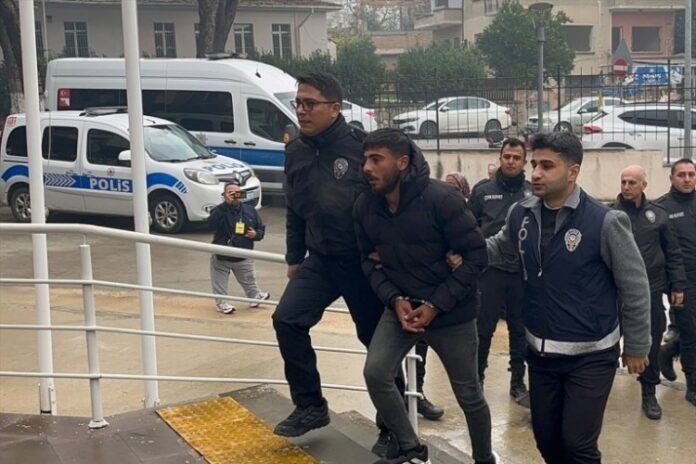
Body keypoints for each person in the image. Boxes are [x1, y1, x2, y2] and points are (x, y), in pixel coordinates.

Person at [487, 132, 650, 464]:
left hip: (590, 354)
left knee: (578, 445)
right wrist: (456, 248)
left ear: (573, 171)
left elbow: (634, 286)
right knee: (546, 440)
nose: (535, 173)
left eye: (547, 166)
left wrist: (636, 345)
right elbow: (498, 248)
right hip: (541, 353)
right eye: (535, 164)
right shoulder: (521, 214)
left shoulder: (605, 221)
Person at [355, 129, 499, 464]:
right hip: (401, 309)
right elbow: (366, 260)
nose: (367, 168)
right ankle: (410, 447)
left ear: (402, 162)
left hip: (451, 314)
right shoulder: (365, 205)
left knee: (469, 395)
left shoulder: (442, 199)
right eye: (365, 159)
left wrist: (435, 306)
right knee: (376, 373)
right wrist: (394, 299)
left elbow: (477, 257)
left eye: (376, 159)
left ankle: (483, 458)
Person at [271, 73, 391, 444]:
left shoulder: (362, 148)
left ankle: (393, 426)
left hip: (362, 263)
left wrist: (391, 249)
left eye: (310, 104)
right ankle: (310, 405)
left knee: (377, 345)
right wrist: (294, 256)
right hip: (320, 259)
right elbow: (295, 207)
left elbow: (398, 197)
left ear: (335, 108)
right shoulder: (296, 151)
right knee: (287, 319)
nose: (301, 111)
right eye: (298, 103)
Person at [611, 165, 686, 419]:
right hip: (615, 290)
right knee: (609, 340)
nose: (626, 187)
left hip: (650, 290)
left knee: (651, 342)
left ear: (644, 185)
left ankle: (649, 391)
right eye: (623, 181)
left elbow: (673, 252)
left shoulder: (659, 215)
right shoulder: (608, 214)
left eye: (632, 182)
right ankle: (599, 386)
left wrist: (678, 285)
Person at [468, 138, 532, 407]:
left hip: (521, 272)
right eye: (507, 156)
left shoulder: (533, 193)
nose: (511, 161)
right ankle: (477, 381)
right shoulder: (483, 191)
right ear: (500, 158)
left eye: (517, 158)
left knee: (520, 330)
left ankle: (517, 383)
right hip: (490, 271)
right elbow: (469, 227)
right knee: (483, 329)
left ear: (524, 162)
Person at [654, 158, 696, 407]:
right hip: (682, 282)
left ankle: (668, 351)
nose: (687, 179)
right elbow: (664, 251)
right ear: (671, 178)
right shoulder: (662, 209)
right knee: (691, 333)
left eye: (691, 174)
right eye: (682, 175)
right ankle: (693, 385)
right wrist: (674, 285)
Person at [209, 182, 269, 314]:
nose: (234, 196)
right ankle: (222, 304)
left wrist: (256, 234)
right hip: (222, 256)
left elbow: (260, 229)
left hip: (243, 254)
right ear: (224, 195)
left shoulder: (250, 210)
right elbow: (210, 224)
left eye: (237, 193)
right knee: (219, 283)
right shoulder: (219, 210)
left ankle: (255, 296)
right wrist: (225, 205)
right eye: (231, 193)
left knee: (249, 279)